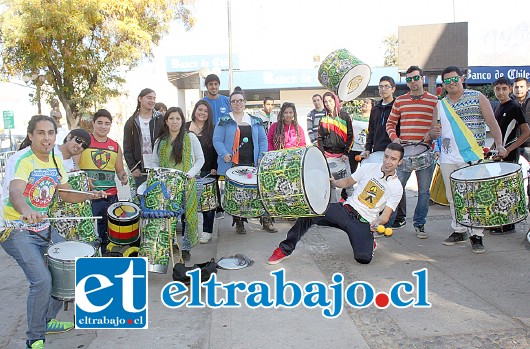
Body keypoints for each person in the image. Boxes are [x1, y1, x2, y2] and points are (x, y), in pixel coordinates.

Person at [0, 115, 106, 349]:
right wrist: (26, 210)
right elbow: (16, 192)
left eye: (50, 133)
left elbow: (66, 194)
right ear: (31, 136)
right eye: (41, 133)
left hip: (43, 228)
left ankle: (46, 319)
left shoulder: (57, 159)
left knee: (67, 269)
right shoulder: (22, 159)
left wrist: (90, 195)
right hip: (15, 230)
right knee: (42, 280)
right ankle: (35, 337)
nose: (46, 138)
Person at [267, 143, 404, 265]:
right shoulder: (368, 167)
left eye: (393, 159)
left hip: (363, 221)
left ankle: (368, 241)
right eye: (386, 157)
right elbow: (347, 182)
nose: (388, 162)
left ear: (400, 162)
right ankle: (284, 249)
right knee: (310, 213)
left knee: (363, 258)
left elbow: (385, 216)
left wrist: (377, 222)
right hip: (345, 210)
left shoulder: (397, 187)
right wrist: (334, 182)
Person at [434, 66, 507, 253]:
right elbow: (435, 130)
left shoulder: (477, 96)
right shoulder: (440, 104)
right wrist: (431, 133)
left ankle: (476, 234)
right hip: (448, 157)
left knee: (473, 197)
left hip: (472, 156)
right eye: (447, 81)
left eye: (454, 79)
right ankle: (459, 230)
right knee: (453, 197)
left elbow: (492, 122)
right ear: (443, 84)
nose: (452, 83)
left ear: (462, 78)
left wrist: (499, 145)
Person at [385, 66, 438, 238]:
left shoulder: (434, 101)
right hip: (404, 153)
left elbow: (439, 125)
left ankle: (419, 224)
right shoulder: (400, 101)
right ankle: (388, 223)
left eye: (415, 78)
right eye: (409, 79)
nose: (413, 82)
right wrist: (394, 138)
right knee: (395, 189)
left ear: (422, 78)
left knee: (424, 192)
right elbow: (390, 124)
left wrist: (432, 132)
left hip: (426, 152)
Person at [213, 87, 274, 233]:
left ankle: (265, 220)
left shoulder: (255, 120)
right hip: (232, 163)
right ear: (230, 104)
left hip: (252, 162)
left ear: (245, 102)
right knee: (237, 194)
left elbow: (262, 140)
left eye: (240, 100)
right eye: (234, 101)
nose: (237, 103)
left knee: (259, 193)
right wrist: (224, 153)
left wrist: (261, 156)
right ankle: (239, 221)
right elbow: (217, 140)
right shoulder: (224, 120)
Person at [151, 107, 204, 261]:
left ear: (182, 121)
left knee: (188, 217)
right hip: (167, 187)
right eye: (171, 119)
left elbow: (200, 159)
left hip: (188, 184)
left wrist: (190, 174)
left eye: (178, 119)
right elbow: (154, 162)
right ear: (166, 121)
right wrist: (160, 176)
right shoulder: (160, 141)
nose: (175, 122)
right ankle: (172, 244)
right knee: (169, 217)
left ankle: (186, 247)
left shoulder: (190, 137)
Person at [78, 109, 128, 252]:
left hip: (110, 195)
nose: (103, 126)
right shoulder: (83, 142)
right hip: (88, 196)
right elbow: (74, 167)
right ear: (93, 123)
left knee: (108, 232)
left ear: (110, 126)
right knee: (88, 232)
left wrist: (123, 176)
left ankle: (106, 258)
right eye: (99, 123)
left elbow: (119, 170)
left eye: (107, 124)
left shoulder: (115, 145)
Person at [490, 77, 530, 234]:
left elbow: (526, 132)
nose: (501, 92)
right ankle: (502, 222)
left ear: (509, 89)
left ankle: (508, 225)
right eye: (498, 89)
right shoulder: (498, 107)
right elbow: (498, 132)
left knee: (508, 191)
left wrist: (509, 149)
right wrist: (493, 148)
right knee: (500, 191)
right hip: (499, 155)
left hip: (510, 156)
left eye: (504, 89)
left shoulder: (514, 107)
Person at [185, 101, 218, 244]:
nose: (202, 113)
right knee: (186, 203)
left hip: (207, 170)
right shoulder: (185, 127)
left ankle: (207, 231)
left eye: (206, 111)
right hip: (188, 170)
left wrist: (215, 166)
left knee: (208, 204)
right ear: (195, 110)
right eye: (200, 109)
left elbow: (216, 149)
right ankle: (189, 232)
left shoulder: (213, 128)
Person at [317, 91, 354, 202]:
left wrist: (346, 153)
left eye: (330, 101)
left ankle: (351, 209)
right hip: (328, 157)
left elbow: (351, 136)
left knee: (349, 185)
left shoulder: (345, 116)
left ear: (335, 101)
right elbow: (319, 138)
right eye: (325, 102)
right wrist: (323, 154)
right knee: (330, 185)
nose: (328, 104)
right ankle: (333, 209)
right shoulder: (323, 119)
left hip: (342, 156)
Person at [123, 88, 164, 187]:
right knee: (140, 200)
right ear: (140, 99)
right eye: (149, 98)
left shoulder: (161, 119)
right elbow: (127, 147)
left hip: (160, 169)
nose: (152, 101)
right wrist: (133, 167)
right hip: (140, 170)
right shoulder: (131, 122)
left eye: (154, 98)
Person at [363, 76, 397, 159]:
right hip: (377, 151)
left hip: (394, 151)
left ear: (393, 89)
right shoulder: (375, 109)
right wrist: (368, 148)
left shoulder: (397, 107)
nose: (383, 89)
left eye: (386, 86)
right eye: (380, 87)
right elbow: (371, 131)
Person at [348, 97, 374, 174]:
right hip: (352, 149)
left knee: (365, 173)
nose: (364, 104)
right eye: (364, 102)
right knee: (350, 173)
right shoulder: (354, 116)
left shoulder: (372, 119)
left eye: (367, 103)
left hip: (365, 151)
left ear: (372, 106)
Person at [512, 77, 530, 162]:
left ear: (528, 87)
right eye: (516, 87)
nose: (518, 89)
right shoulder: (508, 103)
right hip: (513, 147)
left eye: (521, 87)